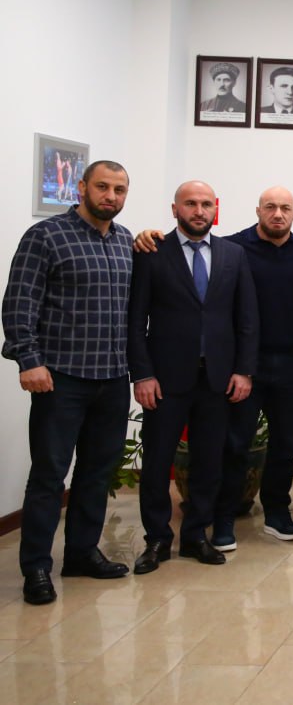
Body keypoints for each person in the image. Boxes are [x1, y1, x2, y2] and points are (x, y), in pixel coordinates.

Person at [133, 187, 293, 550]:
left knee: (286, 445)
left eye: (285, 208)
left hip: (289, 361)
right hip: (238, 364)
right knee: (232, 445)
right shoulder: (235, 248)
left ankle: (276, 513)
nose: (278, 214)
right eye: (270, 207)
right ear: (258, 210)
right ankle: (222, 518)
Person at [2, 160, 133, 605]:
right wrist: (28, 360)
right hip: (60, 378)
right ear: (81, 188)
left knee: (97, 473)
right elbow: (19, 303)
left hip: (112, 377)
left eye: (119, 189)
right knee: (49, 475)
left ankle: (81, 553)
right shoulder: (45, 236)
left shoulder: (125, 241)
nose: (110, 196)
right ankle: (36, 567)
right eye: (102, 187)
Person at [128, 181, 258, 575]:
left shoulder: (233, 254)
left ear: (215, 209)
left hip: (217, 379)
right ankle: (157, 539)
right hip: (165, 380)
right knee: (157, 461)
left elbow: (246, 319)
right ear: (175, 209)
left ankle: (196, 535)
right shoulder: (152, 253)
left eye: (205, 204)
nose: (198, 211)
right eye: (190, 204)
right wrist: (143, 374)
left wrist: (243, 370)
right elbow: (135, 321)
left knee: (208, 461)